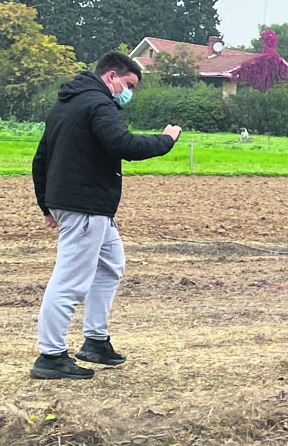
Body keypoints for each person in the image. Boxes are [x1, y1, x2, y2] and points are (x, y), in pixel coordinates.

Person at [30, 52, 182, 379]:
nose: (129, 93)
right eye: (129, 85)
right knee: (70, 281)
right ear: (111, 76)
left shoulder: (66, 104)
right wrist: (166, 141)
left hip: (82, 205)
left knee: (112, 264)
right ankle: (50, 356)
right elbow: (123, 144)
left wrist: (47, 205)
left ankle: (95, 341)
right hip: (86, 206)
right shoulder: (99, 103)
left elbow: (41, 158)